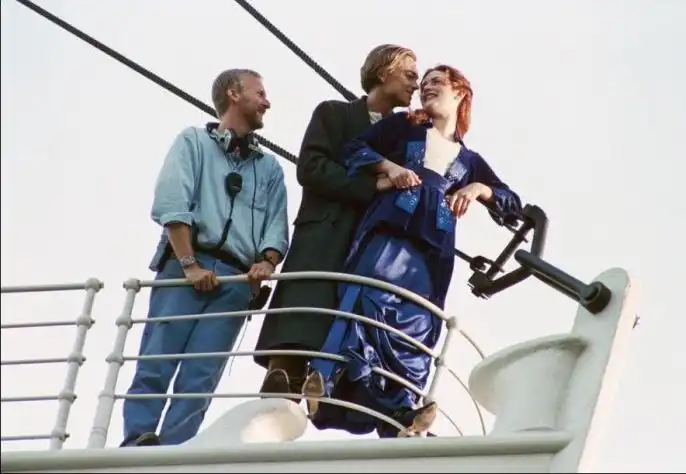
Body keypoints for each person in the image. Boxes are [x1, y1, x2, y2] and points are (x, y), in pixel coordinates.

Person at [305, 64, 523, 438]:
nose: (426, 88)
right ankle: (326, 378)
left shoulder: (470, 161)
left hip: (433, 250)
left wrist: (477, 189)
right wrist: (389, 167)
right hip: (390, 230)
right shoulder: (403, 126)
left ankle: (401, 410)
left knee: (417, 323)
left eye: (437, 82)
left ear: (460, 92)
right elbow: (354, 148)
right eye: (423, 84)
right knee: (368, 298)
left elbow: (511, 202)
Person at [121, 68, 289, 447]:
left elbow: (277, 227)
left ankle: (176, 452)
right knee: (156, 362)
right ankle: (136, 444)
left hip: (235, 281)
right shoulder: (193, 142)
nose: (267, 102)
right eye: (260, 93)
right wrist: (189, 264)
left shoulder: (269, 169)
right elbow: (172, 202)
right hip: (184, 270)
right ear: (233, 94)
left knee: (201, 377)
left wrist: (266, 262)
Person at [253, 45, 420, 399]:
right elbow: (311, 168)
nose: (416, 84)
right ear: (384, 72)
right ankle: (278, 393)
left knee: (341, 334)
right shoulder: (334, 113)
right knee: (298, 328)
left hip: (365, 248)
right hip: (322, 239)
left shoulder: (405, 137)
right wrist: (371, 185)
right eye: (409, 74)